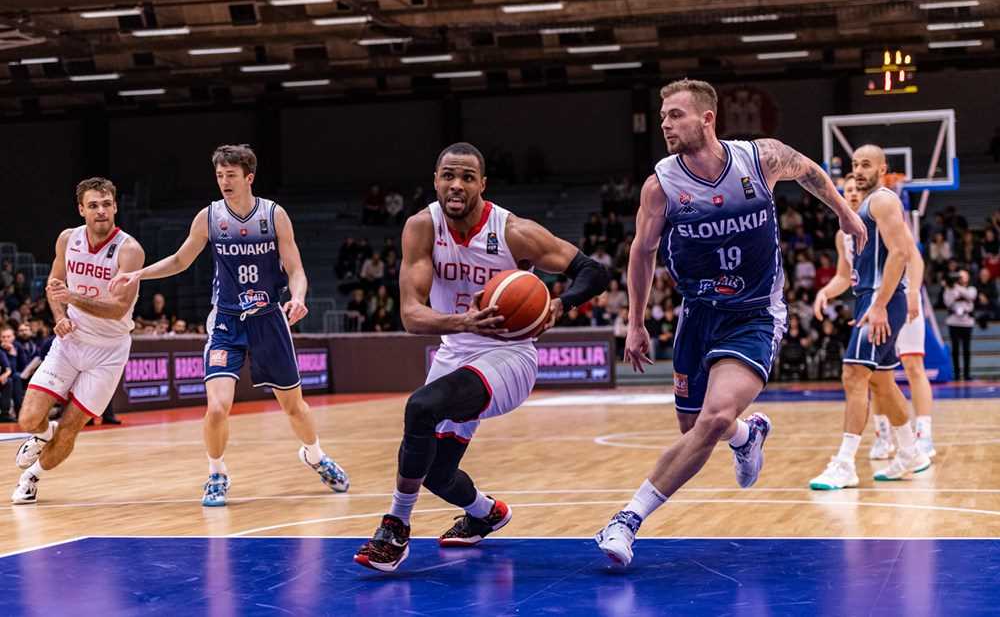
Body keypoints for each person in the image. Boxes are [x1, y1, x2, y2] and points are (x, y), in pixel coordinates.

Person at [594, 78, 867, 566]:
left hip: (755, 312)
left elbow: (809, 172)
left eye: (675, 115)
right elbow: (642, 252)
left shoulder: (759, 160)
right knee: (695, 427)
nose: (665, 124)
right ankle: (748, 435)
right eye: (662, 117)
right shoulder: (662, 186)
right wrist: (634, 322)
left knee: (713, 416)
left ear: (706, 118)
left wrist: (844, 213)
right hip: (698, 314)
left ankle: (626, 520)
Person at [353, 142, 609, 573]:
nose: (456, 185)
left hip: (510, 358)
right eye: (448, 175)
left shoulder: (513, 231)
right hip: (456, 349)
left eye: (467, 177)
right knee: (434, 473)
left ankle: (395, 526)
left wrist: (560, 305)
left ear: (482, 185)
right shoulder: (420, 227)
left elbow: (594, 272)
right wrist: (464, 323)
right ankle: (486, 512)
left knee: (420, 407)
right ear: (435, 181)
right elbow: (411, 316)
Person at [111, 144, 348, 506]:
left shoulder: (273, 215)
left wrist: (298, 297)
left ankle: (314, 455)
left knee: (294, 407)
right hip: (226, 321)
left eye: (231, 175)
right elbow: (180, 259)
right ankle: (217, 474)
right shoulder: (209, 217)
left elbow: (296, 269)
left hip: (269, 319)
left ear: (248, 177)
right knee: (218, 406)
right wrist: (138, 275)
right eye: (219, 175)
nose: (224, 181)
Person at [12, 178, 144, 504]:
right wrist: (60, 316)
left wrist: (73, 297)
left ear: (115, 207)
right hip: (70, 342)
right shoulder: (67, 239)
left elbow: (118, 309)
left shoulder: (129, 250)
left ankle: (31, 478)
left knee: (71, 427)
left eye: (107, 204)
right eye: (94, 205)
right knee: (28, 419)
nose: (101, 211)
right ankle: (43, 434)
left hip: (108, 352)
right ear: (81, 209)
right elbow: (55, 284)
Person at [808, 146, 932, 490]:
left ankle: (845, 463)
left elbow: (903, 253)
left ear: (882, 168)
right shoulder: (855, 215)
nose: (859, 171)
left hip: (881, 301)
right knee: (881, 383)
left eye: (866, 165)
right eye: (854, 165)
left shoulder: (883, 200)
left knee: (853, 375)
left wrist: (880, 305)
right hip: (868, 298)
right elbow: (846, 274)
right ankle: (911, 452)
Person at [943, 269, 977, 380]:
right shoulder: (950, 289)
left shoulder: (972, 288)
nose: (961, 278)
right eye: (959, 276)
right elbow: (947, 302)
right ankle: (957, 374)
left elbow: (970, 296)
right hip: (953, 322)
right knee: (955, 349)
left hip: (967, 323)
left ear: (968, 278)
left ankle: (967, 374)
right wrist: (951, 287)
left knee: (966, 349)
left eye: (963, 276)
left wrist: (957, 287)